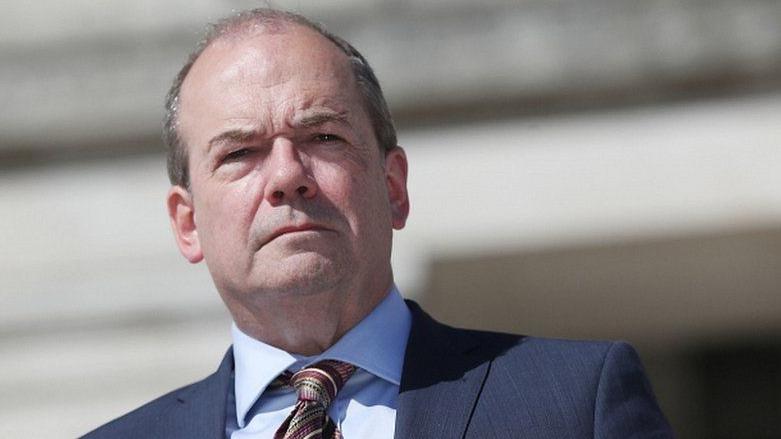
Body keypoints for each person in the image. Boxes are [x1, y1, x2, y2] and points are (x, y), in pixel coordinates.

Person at [83, 8, 674, 439]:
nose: (287, 175)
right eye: (240, 153)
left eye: (323, 137)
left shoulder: (575, 404)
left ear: (393, 188)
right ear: (187, 225)